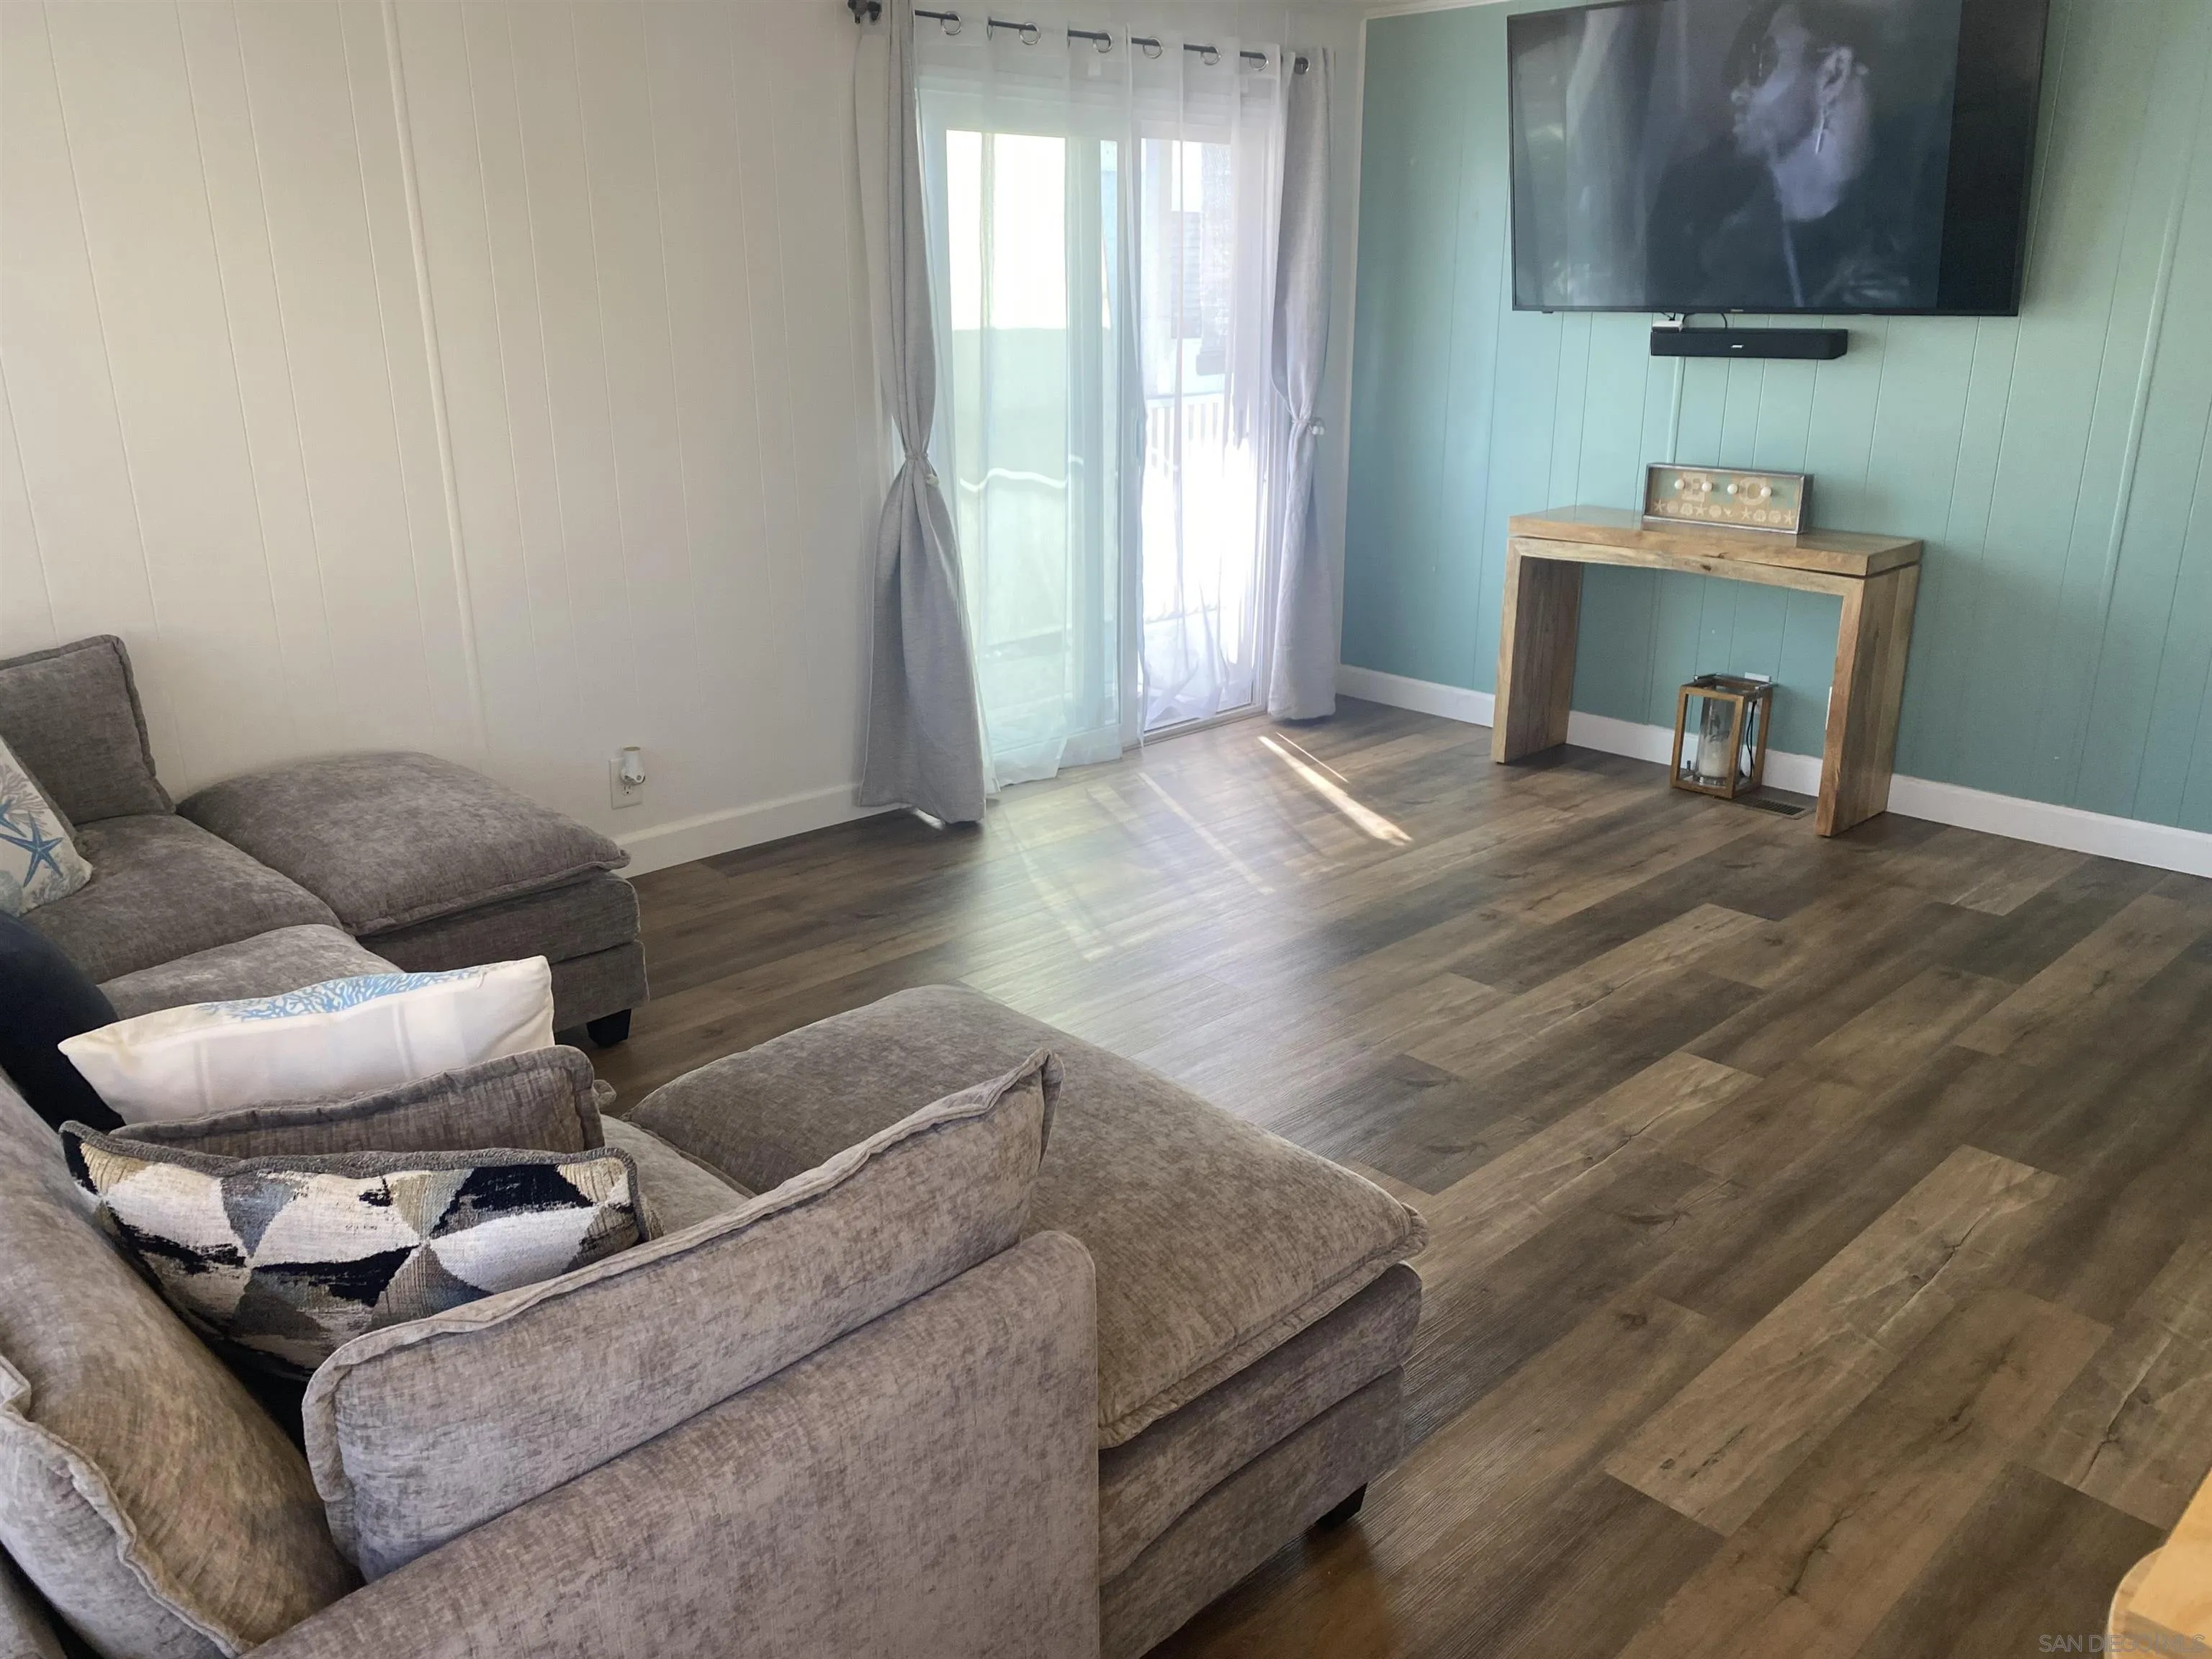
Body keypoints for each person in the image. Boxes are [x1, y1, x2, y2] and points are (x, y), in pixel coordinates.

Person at [1648, 0, 1944, 311]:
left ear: (1834, 73)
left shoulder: (1904, 244)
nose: (1737, 90)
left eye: (1761, 61)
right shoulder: (1709, 219)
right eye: (1735, 70)